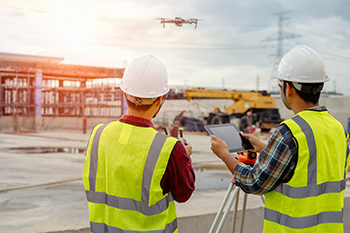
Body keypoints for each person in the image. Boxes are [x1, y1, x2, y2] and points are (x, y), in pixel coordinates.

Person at [210, 45, 350, 232]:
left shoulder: (289, 132)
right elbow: (310, 162)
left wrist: (225, 154)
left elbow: (254, 182)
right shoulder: (338, 129)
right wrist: (263, 147)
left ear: (288, 88)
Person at [82, 55, 195, 233]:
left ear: (125, 93)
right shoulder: (170, 148)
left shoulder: (98, 134)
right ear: (159, 100)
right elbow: (183, 193)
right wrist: (183, 157)